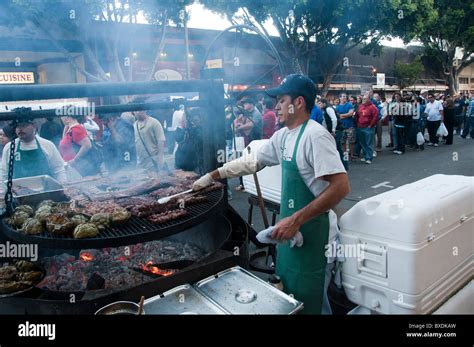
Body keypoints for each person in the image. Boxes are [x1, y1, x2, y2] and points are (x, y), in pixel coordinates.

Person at [192, 74, 350, 314]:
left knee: (314, 305)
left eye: (281, 99)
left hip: (316, 240)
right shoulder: (283, 136)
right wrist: (214, 175)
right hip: (290, 237)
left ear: (298, 102)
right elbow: (253, 161)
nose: (275, 106)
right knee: (291, 298)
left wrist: (296, 220)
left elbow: (340, 187)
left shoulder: (315, 136)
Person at [2, 119, 66, 183]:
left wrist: (62, 186)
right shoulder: (9, 147)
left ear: (34, 126)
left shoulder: (47, 145)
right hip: (18, 190)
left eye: (24, 125)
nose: (20, 129)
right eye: (17, 126)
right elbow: (3, 173)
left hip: (45, 190)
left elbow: (58, 170)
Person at [132, 97, 166, 172]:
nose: (137, 112)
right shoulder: (134, 125)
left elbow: (161, 141)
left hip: (153, 161)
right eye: (135, 110)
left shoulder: (154, 122)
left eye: (139, 109)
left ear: (144, 109)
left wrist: (160, 159)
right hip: (141, 163)